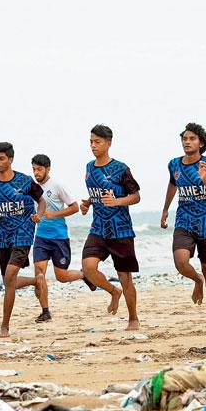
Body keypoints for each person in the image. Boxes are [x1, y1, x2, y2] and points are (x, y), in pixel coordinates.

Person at [161, 122, 206, 326]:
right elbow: (172, 185)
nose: (187, 142)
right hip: (184, 220)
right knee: (180, 262)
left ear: (201, 143)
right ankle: (197, 280)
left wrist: (204, 179)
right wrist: (165, 210)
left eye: (192, 139)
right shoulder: (174, 164)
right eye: (184, 139)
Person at [79, 124, 141, 330]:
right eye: (91, 142)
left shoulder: (121, 169)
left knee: (125, 278)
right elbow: (98, 192)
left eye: (97, 142)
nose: (93, 146)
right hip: (98, 228)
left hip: (120, 230)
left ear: (108, 143)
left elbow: (136, 196)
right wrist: (88, 202)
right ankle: (113, 292)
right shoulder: (89, 167)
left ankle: (133, 318)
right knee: (88, 268)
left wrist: (118, 201)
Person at [0, 141, 45, 337]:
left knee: (9, 277)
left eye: (1, 159)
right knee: (8, 281)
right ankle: (36, 280)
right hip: (3, 237)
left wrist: (39, 215)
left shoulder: (25, 181)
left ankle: (4, 326)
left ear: (10, 160)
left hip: (23, 234)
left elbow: (41, 200)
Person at [30, 153, 95, 323]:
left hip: (59, 237)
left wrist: (54, 215)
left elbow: (74, 207)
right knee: (39, 275)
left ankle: (83, 276)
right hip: (41, 238)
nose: (36, 173)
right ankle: (45, 311)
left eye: (39, 169)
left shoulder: (57, 186)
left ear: (48, 169)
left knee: (62, 277)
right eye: (34, 169)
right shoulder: (32, 188)